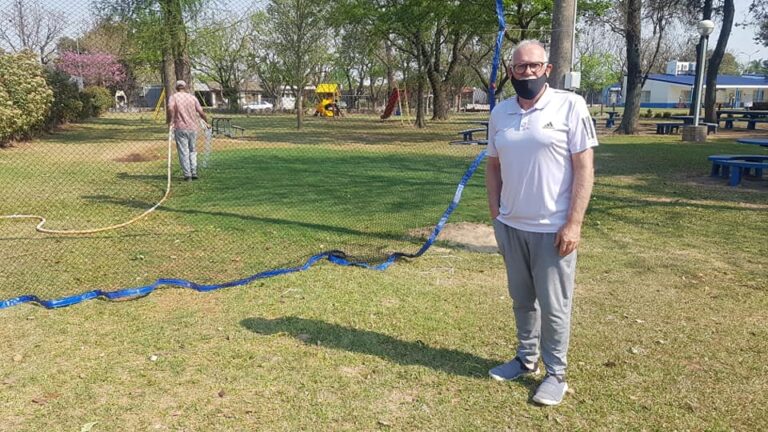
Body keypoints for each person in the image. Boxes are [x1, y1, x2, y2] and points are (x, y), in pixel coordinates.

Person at [485, 40, 597, 406]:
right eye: (520, 67)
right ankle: (525, 359)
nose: (527, 72)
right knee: (521, 300)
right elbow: (493, 165)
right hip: (512, 226)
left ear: (547, 69)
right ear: (511, 72)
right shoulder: (500, 113)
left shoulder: (570, 106)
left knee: (554, 305)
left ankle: (556, 374)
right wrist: (496, 215)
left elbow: (584, 168)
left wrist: (574, 223)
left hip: (553, 230)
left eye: (534, 66)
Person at [168, 80, 209, 181]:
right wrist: (206, 122)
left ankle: (188, 175)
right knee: (192, 150)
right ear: (185, 87)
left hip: (180, 128)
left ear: (176, 87)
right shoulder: (192, 97)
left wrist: (172, 120)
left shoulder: (174, 97)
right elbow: (200, 111)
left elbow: (170, 108)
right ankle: (194, 172)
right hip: (193, 128)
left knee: (183, 151)